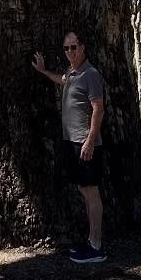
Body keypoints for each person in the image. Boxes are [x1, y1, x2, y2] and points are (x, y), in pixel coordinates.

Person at [31, 30, 107, 263]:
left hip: (86, 143)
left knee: (91, 191)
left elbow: (98, 109)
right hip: (72, 142)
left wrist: (90, 140)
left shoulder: (90, 74)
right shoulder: (73, 74)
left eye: (74, 47)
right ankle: (91, 242)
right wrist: (43, 71)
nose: (70, 52)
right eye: (66, 48)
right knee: (84, 190)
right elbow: (62, 80)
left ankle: (96, 247)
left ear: (83, 47)